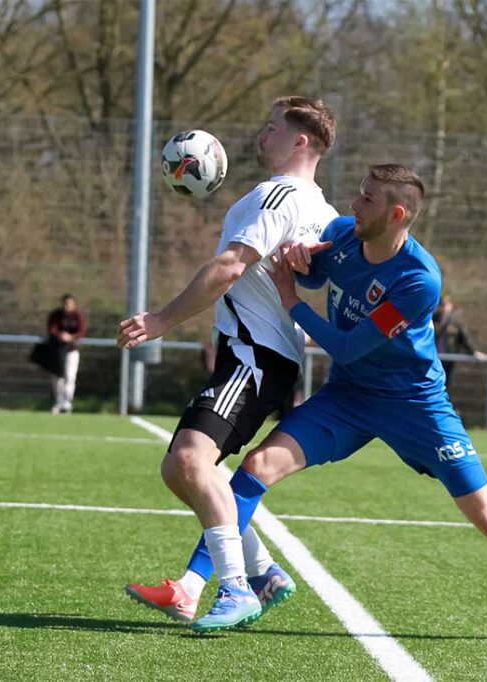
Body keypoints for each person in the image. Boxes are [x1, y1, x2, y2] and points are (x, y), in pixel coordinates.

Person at [130, 164, 487, 646]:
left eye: (367, 198)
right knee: (258, 465)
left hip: (415, 405)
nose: (353, 203)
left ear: (396, 215)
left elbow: (348, 345)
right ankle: (196, 586)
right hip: (349, 397)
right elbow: (312, 273)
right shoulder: (347, 234)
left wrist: (291, 299)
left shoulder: (420, 279)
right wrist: (300, 262)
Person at [117, 96, 339, 628]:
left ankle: (235, 590)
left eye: (272, 128)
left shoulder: (278, 194)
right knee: (182, 467)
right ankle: (261, 573)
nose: (262, 136)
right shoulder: (326, 214)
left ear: (300, 141)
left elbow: (230, 266)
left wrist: (163, 319)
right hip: (259, 358)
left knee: (192, 463)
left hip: (254, 358)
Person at [432, 294, 486, 387]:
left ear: (450, 306)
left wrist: (473, 352)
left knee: (445, 382)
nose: (444, 308)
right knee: (433, 382)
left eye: (446, 305)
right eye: (442, 305)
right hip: (434, 357)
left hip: (449, 356)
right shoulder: (433, 319)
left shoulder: (455, 322)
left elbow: (464, 338)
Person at [47, 294, 87, 414]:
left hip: (72, 350)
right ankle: (58, 402)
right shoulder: (56, 315)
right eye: (65, 303)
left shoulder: (78, 316)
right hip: (58, 350)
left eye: (70, 304)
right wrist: (61, 336)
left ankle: (67, 402)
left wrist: (71, 337)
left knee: (70, 376)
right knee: (57, 377)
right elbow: (52, 329)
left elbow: (82, 331)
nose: (67, 306)